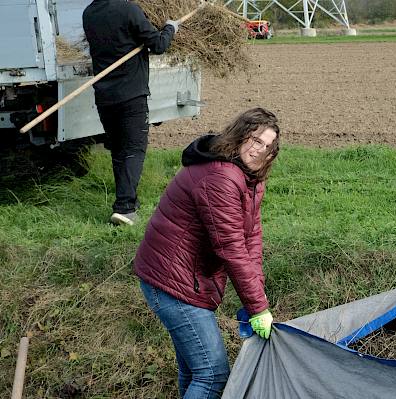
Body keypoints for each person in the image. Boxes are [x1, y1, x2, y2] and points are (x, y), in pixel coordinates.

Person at [134, 108, 281, 398]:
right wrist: (258, 309)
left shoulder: (249, 179)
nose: (259, 151)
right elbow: (231, 247)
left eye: (267, 146)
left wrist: (257, 297)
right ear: (240, 135)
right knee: (212, 375)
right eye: (255, 140)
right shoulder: (222, 177)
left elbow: (250, 237)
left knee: (194, 371)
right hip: (172, 282)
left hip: (186, 277)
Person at [83, 0, 180, 226]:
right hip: (131, 94)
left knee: (118, 150)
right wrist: (171, 28)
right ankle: (125, 208)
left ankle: (128, 202)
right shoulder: (128, 10)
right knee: (133, 149)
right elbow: (157, 44)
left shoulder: (89, 13)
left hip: (105, 96)